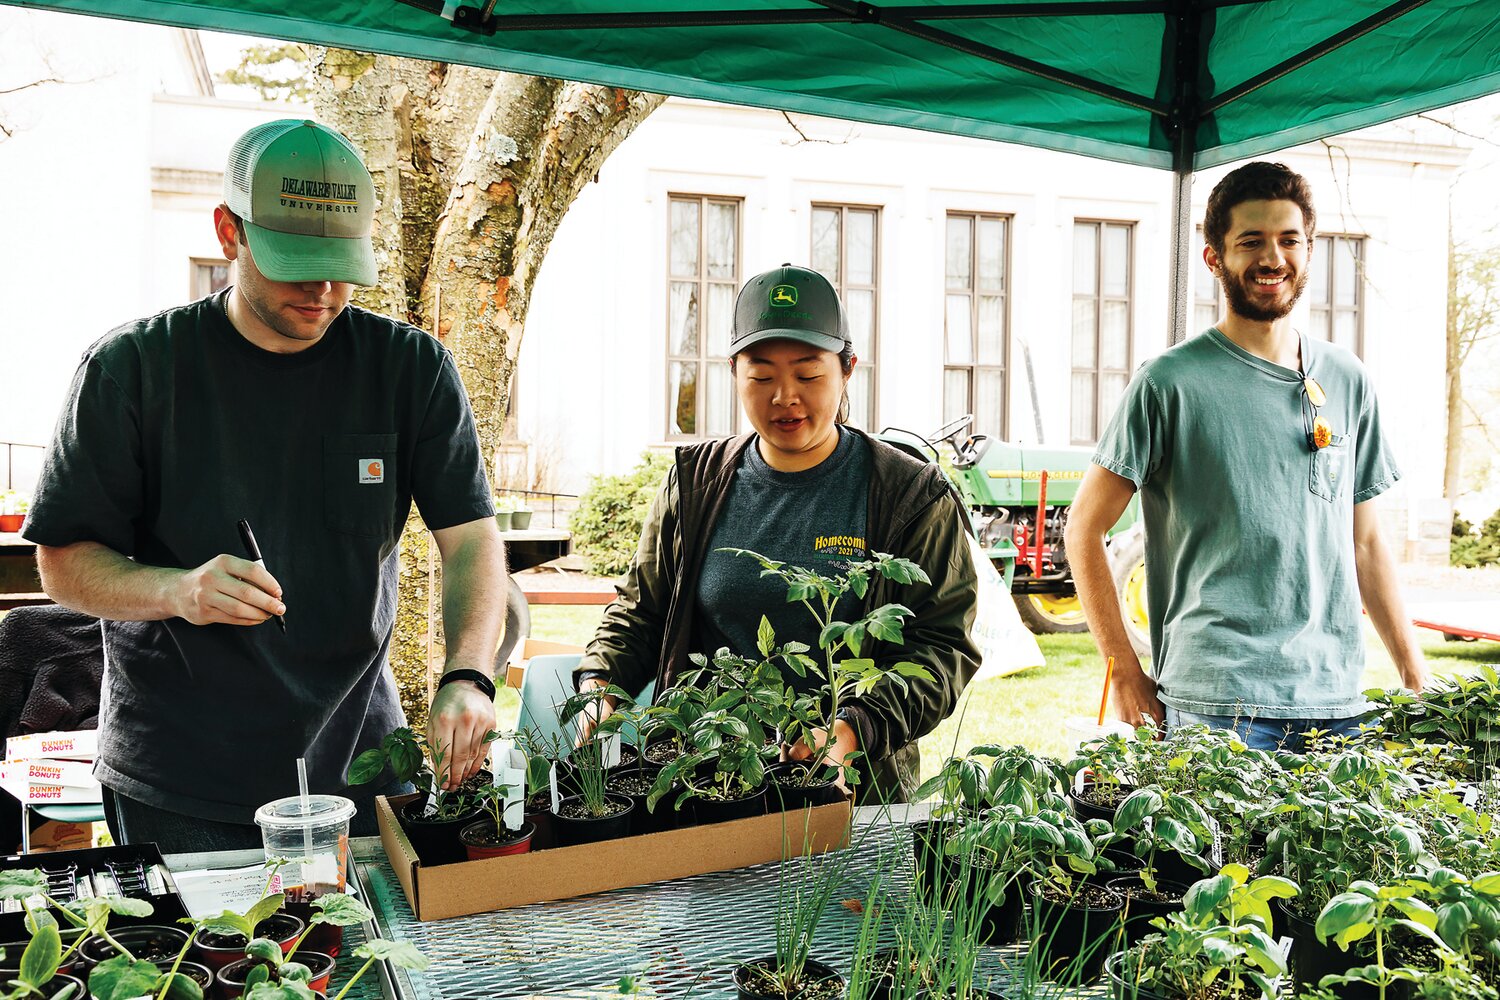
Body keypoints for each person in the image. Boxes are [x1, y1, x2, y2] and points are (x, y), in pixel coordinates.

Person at [23, 119, 508, 851]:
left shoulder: (410, 370)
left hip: (361, 763)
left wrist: (469, 673)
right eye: (295, 263)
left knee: (367, 964)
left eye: (341, 265)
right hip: (181, 777)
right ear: (229, 232)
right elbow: (63, 564)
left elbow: (471, 540)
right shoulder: (132, 369)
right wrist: (176, 589)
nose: (323, 289)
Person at [571, 263, 981, 801]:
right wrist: (599, 687)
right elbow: (641, 610)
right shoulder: (697, 485)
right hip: (705, 779)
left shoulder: (907, 495)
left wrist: (852, 730)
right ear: (734, 372)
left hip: (851, 791)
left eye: (808, 374)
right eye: (761, 376)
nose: (784, 396)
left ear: (848, 368)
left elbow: (941, 646)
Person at [1066, 161, 1427, 752]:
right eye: (1251, 242)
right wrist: (1125, 671)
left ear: (1309, 252)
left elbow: (1364, 543)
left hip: (1336, 703)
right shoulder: (1168, 383)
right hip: (1217, 702)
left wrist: (1416, 677)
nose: (1272, 258)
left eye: (1289, 241)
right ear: (1214, 258)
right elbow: (1083, 528)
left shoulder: (1347, 378)